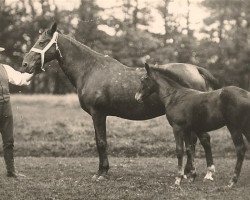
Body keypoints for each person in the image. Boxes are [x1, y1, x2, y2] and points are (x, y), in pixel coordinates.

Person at [0, 47, 33, 178]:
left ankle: (11, 171)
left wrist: (34, 70)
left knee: (9, 141)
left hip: (6, 107)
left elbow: (20, 79)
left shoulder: (5, 68)